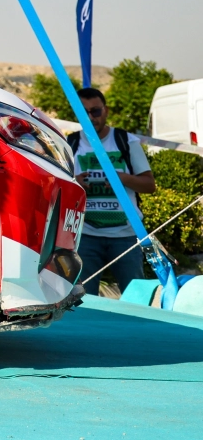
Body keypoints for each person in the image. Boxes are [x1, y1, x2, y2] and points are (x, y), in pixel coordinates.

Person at [70, 86, 155, 295]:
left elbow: (149, 185)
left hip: (125, 236)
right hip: (86, 236)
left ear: (106, 111)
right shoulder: (70, 144)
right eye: (84, 113)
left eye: (96, 111)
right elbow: (55, 188)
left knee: (136, 298)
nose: (91, 117)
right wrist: (74, 182)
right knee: (84, 301)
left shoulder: (126, 141)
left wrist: (121, 178)